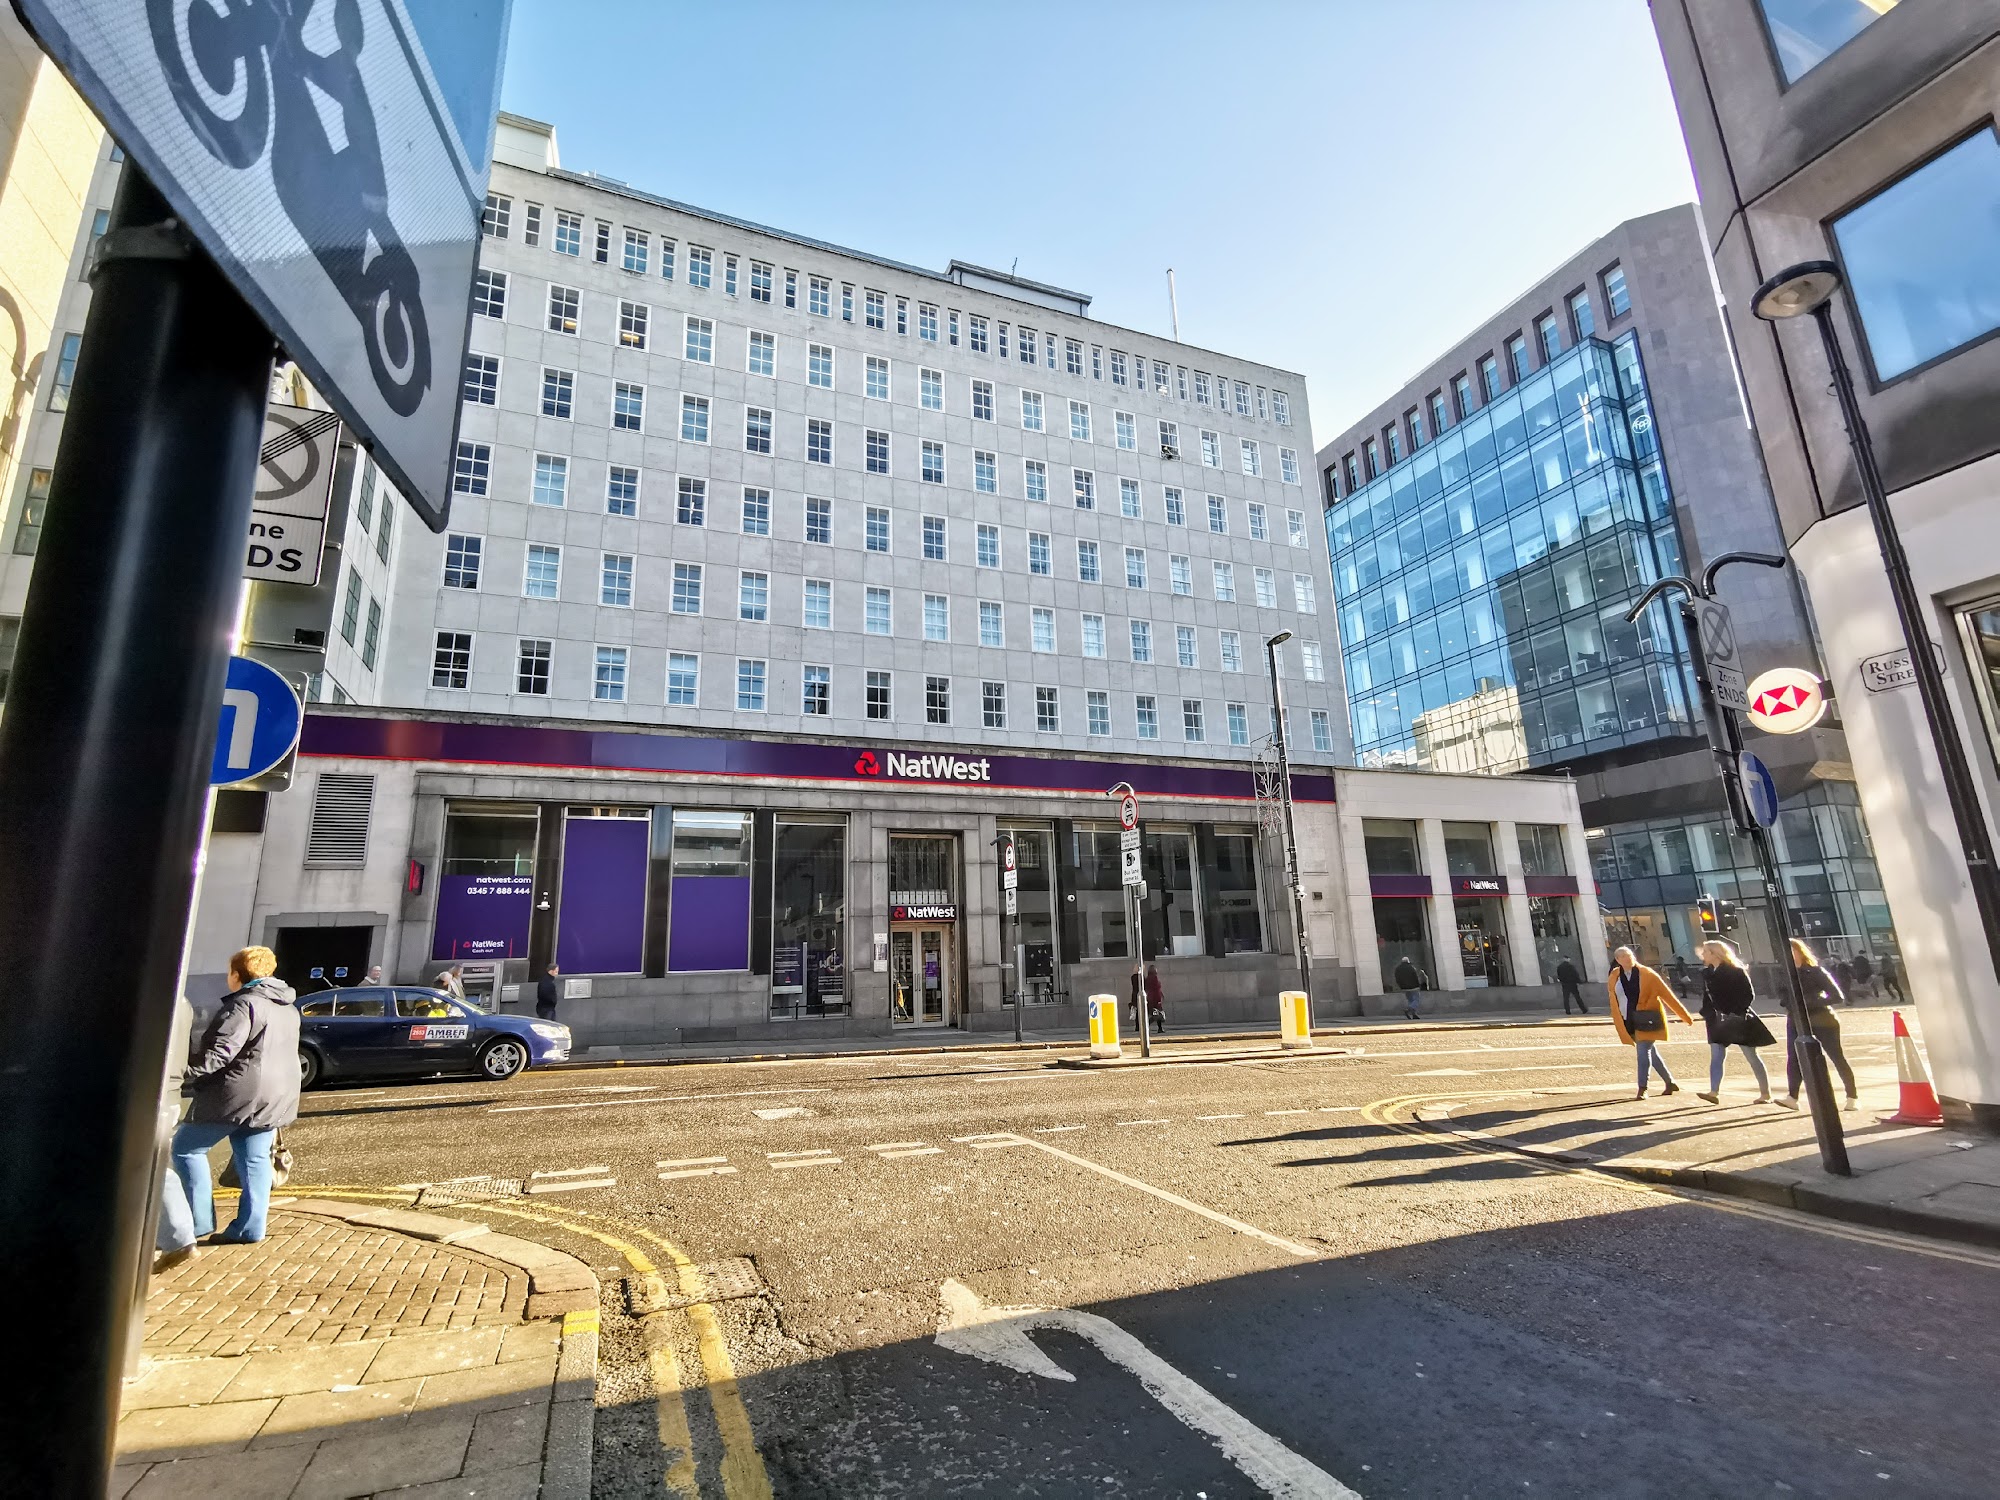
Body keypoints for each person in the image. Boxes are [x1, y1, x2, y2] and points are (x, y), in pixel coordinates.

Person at [171, 947, 300, 1245]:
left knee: (186, 1149)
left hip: (237, 1094)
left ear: (238, 974)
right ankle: (249, 1229)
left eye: (230, 971)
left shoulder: (243, 1005)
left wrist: (179, 1074)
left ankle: (198, 1222)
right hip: (276, 1095)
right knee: (254, 1160)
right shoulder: (286, 1006)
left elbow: (220, 1053)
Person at [1783, 938, 1860, 1112]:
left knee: (1836, 1056)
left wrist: (1812, 1002)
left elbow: (1837, 996)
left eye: (1790, 950)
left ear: (1799, 952)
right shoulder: (1786, 974)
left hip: (1822, 1019)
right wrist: (1788, 1002)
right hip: (1796, 1019)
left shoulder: (1816, 971)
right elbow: (1782, 995)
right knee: (1794, 1058)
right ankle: (1792, 1097)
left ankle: (1852, 1096)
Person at [1607, 945, 1692, 1100]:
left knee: (1643, 1052)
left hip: (1647, 1018)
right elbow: (1614, 998)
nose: (1628, 958)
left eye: (1630, 955)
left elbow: (1667, 994)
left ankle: (1643, 1088)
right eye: (1624, 956)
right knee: (1650, 1052)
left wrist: (1684, 1015)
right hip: (1628, 1019)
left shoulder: (1647, 974)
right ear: (1618, 960)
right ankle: (1670, 1082)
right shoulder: (1615, 975)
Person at [1694, 939, 1773, 1104]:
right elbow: (1707, 997)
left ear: (1716, 954)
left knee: (1751, 1055)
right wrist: (1706, 1012)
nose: (1703, 954)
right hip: (1716, 1019)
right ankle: (1713, 1092)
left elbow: (1748, 995)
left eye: (1706, 951)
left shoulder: (1736, 971)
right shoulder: (1707, 973)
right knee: (1717, 1054)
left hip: (1737, 1017)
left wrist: (1735, 1012)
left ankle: (1765, 1094)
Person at [155, 992, 200, 1272]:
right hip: (167, 1089)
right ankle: (178, 1236)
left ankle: (179, 1237)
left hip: (144, 1090)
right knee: (154, 1162)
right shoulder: (180, 999)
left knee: (151, 1164)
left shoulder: (148, 992)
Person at [1392, 956, 1427, 1021]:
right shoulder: (1411, 968)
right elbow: (1415, 977)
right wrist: (1419, 985)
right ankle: (1409, 1009)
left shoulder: (1398, 969)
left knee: (1410, 1000)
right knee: (1416, 999)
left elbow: (1397, 978)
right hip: (1414, 987)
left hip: (1404, 988)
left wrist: (1400, 986)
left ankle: (1414, 1014)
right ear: (1408, 961)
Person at [1144, 964, 1166, 1032]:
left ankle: (1158, 1028)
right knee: (1157, 1014)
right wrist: (1160, 998)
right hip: (1156, 998)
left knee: (1154, 1013)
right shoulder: (1155, 978)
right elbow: (1157, 989)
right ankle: (1147, 1026)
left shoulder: (1147, 979)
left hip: (1150, 998)